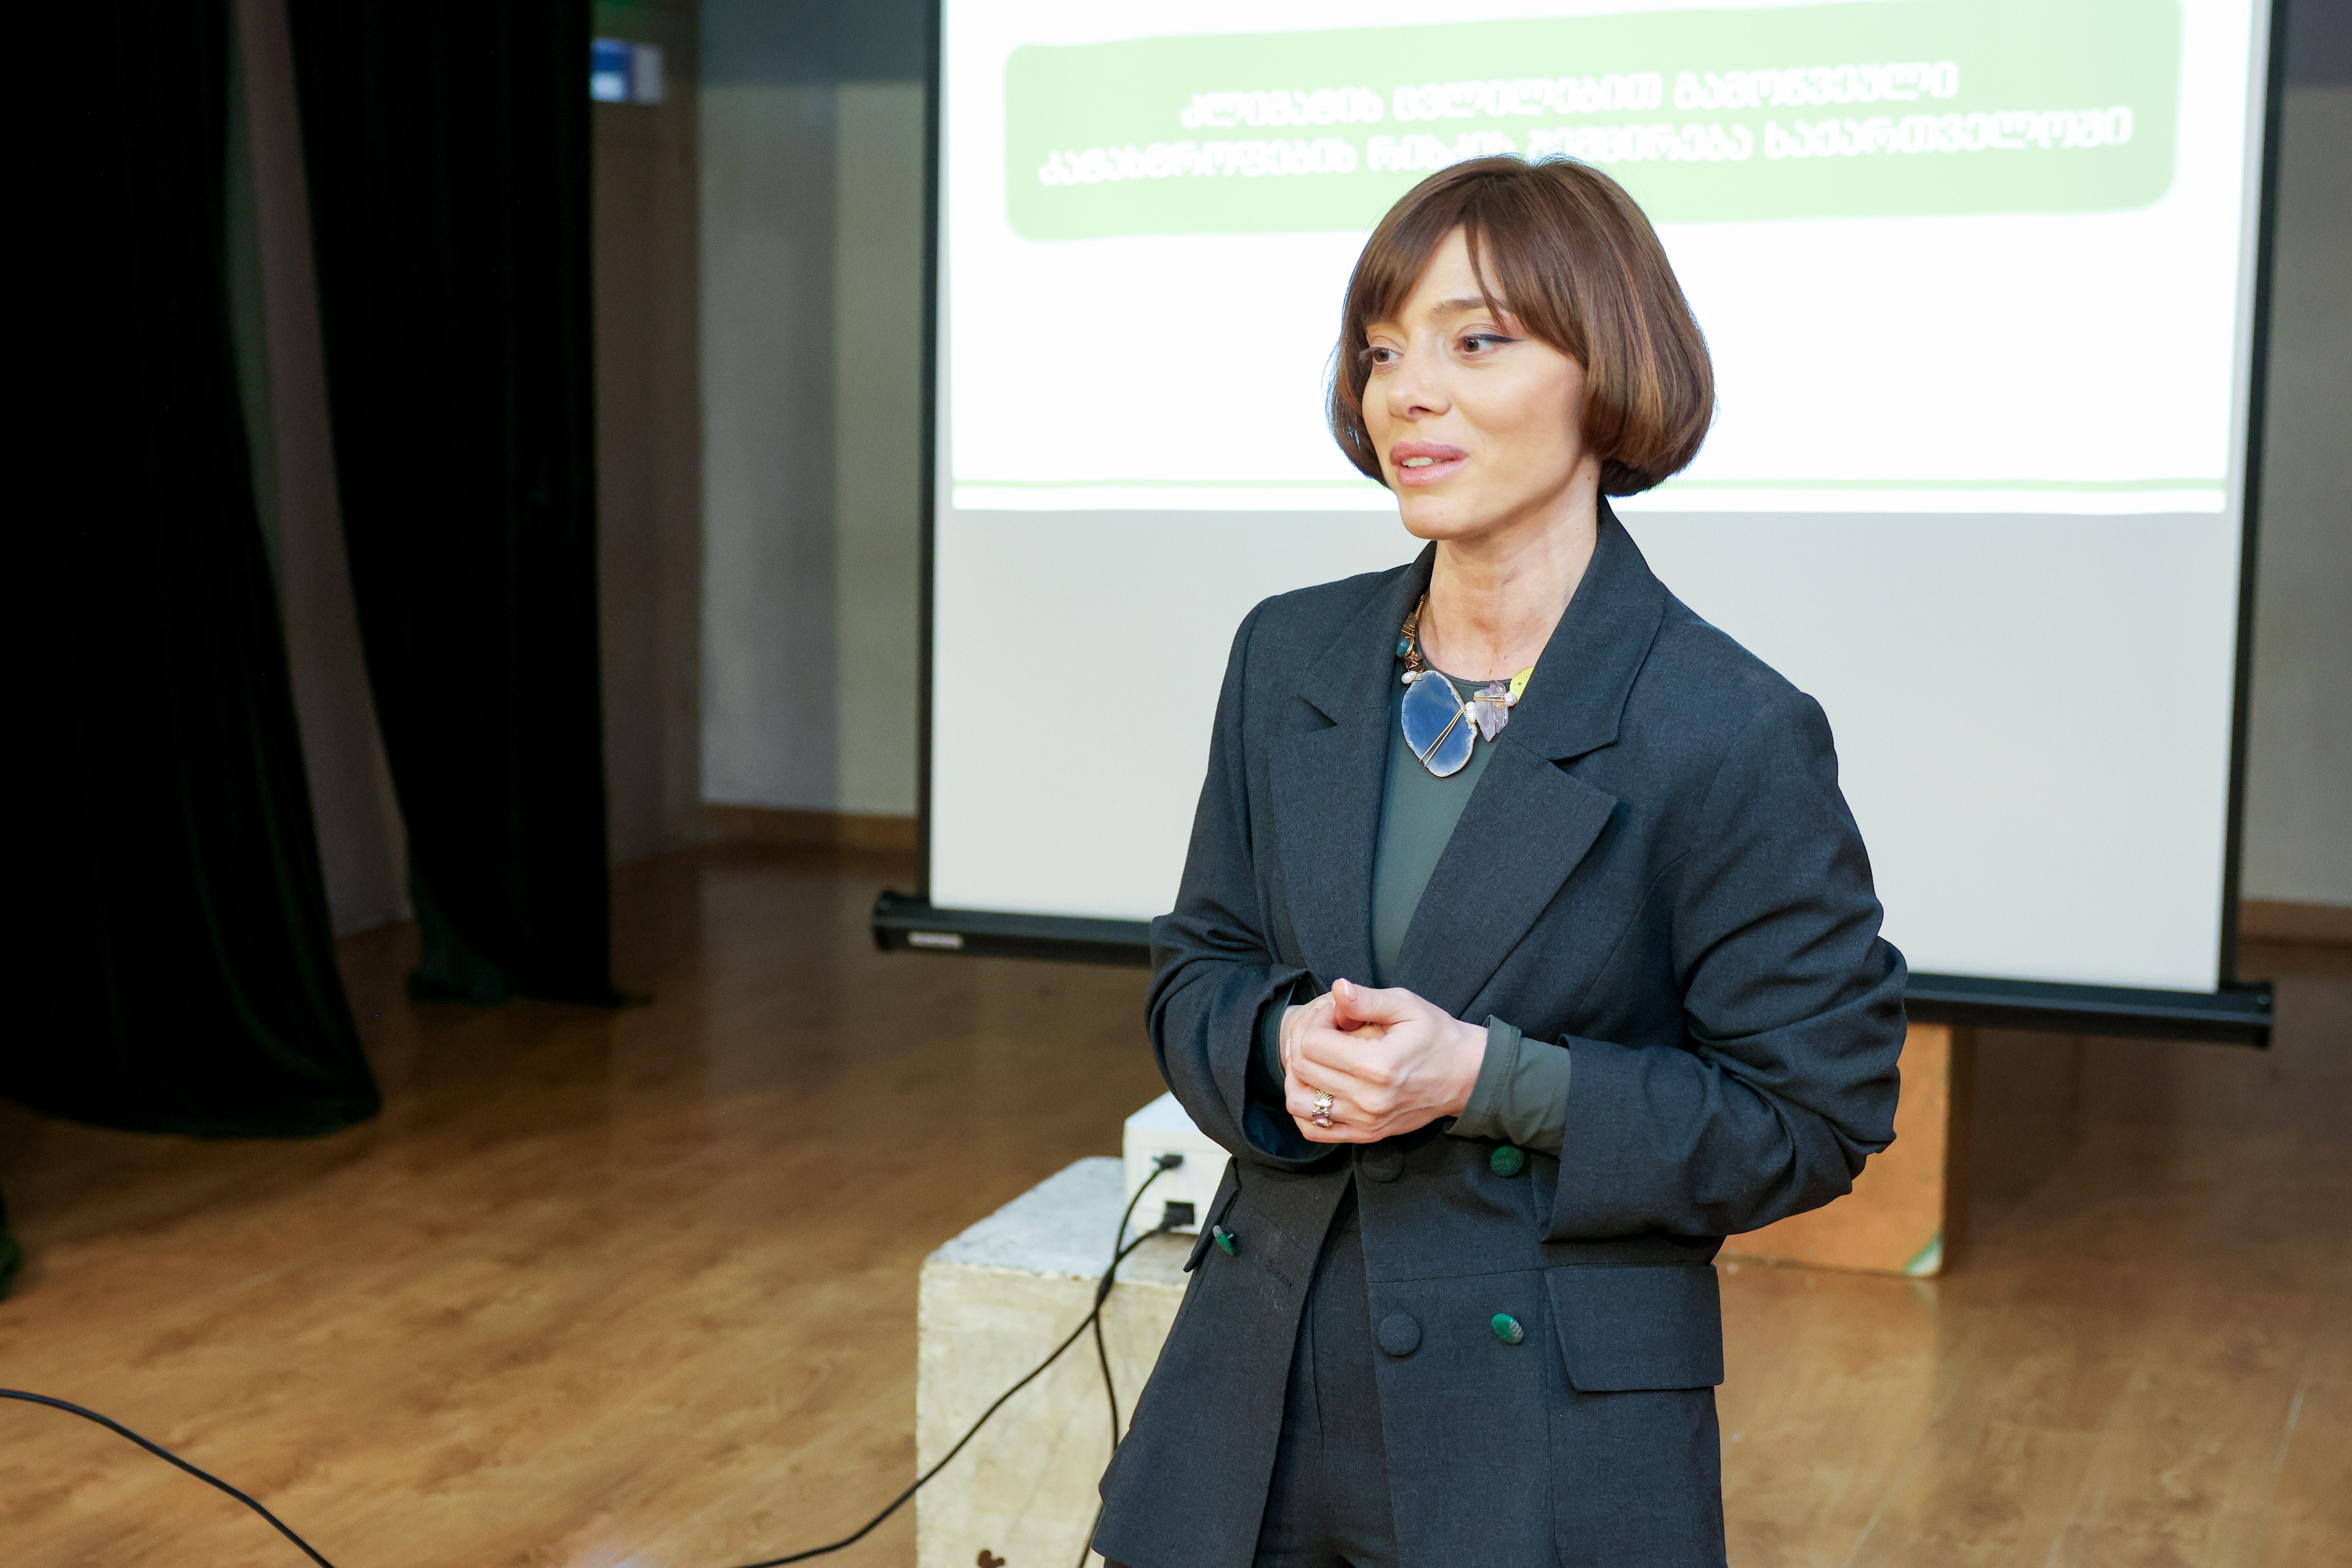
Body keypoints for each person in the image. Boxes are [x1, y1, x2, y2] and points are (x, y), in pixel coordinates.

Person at [1091, 156, 1907, 1568]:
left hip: (1542, 1443)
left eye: (1476, 341)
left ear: (1610, 372)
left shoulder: (1728, 727)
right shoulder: (1287, 651)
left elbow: (1810, 1116)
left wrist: (1486, 1078)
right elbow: (1198, 965)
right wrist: (1275, 1041)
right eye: (1382, 349)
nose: (1408, 390)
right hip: (1248, 1405)